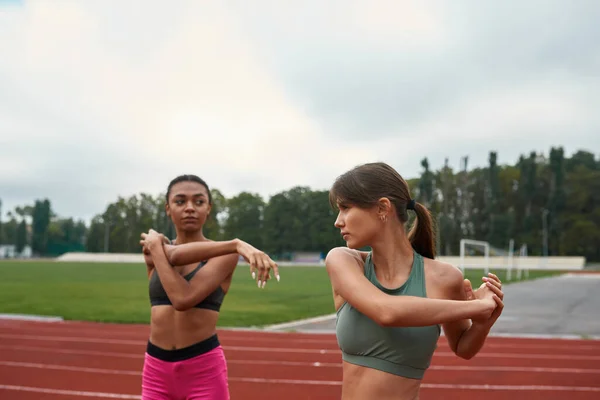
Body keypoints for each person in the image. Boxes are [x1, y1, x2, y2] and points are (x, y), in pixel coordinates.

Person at [326, 162, 504, 400]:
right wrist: (478, 306)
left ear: (382, 208)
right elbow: (386, 312)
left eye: (346, 208)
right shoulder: (342, 260)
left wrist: (483, 324)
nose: (339, 220)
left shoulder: (445, 277)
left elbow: (463, 347)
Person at [138, 174, 278, 400]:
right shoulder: (157, 251)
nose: (190, 208)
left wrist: (235, 245)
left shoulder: (225, 255)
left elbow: (182, 299)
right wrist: (158, 247)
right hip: (156, 369)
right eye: (180, 201)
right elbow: (174, 255)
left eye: (199, 202)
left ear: (209, 209)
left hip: (202, 370)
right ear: (168, 208)